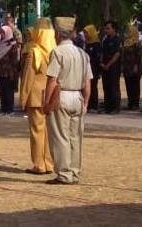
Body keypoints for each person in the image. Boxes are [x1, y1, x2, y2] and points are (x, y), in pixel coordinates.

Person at [43, 17, 92, 185]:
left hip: (61, 95)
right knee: (75, 137)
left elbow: (52, 81)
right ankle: (74, 172)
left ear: (57, 34)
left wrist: (47, 103)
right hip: (77, 96)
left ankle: (64, 174)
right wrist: (85, 102)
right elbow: (87, 82)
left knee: (60, 137)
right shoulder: (82, 53)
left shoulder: (57, 52)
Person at [20, 19, 56, 175]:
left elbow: (28, 77)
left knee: (36, 131)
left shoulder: (34, 51)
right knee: (48, 131)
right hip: (50, 94)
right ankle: (49, 163)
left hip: (35, 95)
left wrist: (22, 98)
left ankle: (38, 164)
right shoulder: (55, 50)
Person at [0, 25, 21, 115]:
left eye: (3, 32)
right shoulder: (2, 44)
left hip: (9, 73)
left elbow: (14, 61)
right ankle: (4, 109)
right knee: (2, 91)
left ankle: (9, 110)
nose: (1, 34)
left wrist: (13, 73)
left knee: (8, 92)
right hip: (1, 72)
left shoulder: (12, 45)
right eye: (1, 32)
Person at [100, 21, 122, 114]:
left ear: (114, 29)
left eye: (108, 28)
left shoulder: (118, 40)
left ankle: (115, 107)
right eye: (105, 28)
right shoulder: (105, 40)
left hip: (113, 67)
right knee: (106, 86)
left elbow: (117, 54)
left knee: (114, 86)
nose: (106, 30)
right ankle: (107, 107)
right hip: (105, 66)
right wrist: (102, 63)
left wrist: (108, 65)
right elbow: (102, 53)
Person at [82, 25, 102, 112]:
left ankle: (94, 105)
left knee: (93, 87)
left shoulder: (96, 44)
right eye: (84, 33)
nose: (85, 35)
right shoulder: (86, 43)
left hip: (94, 69)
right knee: (86, 86)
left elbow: (97, 58)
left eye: (86, 32)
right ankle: (89, 105)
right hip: (86, 69)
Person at [122, 26, 142, 110]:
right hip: (127, 67)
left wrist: (136, 66)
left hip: (134, 67)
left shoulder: (137, 43)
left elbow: (139, 56)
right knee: (128, 85)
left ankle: (135, 103)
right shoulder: (126, 42)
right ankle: (130, 102)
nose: (127, 33)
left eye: (129, 31)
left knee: (135, 86)